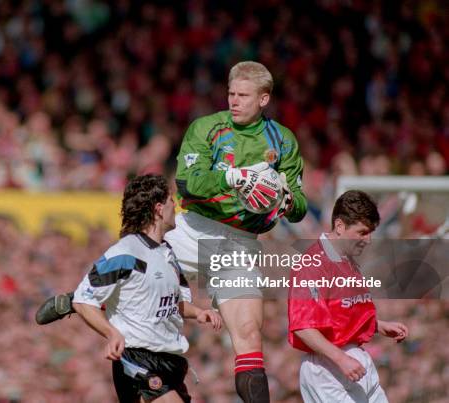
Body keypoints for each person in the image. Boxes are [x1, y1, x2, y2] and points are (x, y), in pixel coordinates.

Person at [37, 61, 307, 402]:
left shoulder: (283, 141)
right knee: (137, 285)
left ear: (264, 99)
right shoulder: (207, 128)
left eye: (243, 95)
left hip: (241, 242)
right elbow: (187, 184)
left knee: (250, 335)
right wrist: (235, 177)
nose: (234, 101)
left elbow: (298, 204)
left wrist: (284, 202)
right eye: (231, 93)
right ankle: (75, 300)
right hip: (193, 230)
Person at [72, 174, 222, 403]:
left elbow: (173, 303)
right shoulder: (125, 252)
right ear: (159, 209)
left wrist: (199, 313)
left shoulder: (167, 253)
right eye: (172, 201)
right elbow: (83, 301)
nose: (176, 207)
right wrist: (111, 333)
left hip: (170, 361)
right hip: (138, 358)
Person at [288, 190, 408, 403]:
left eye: (370, 232)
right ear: (340, 226)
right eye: (362, 232)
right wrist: (341, 359)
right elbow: (304, 327)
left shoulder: (347, 260)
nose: (368, 240)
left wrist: (377, 325)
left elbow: (341, 312)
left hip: (356, 362)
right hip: (329, 369)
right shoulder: (312, 264)